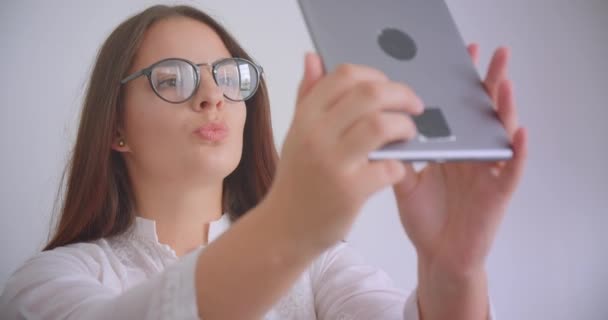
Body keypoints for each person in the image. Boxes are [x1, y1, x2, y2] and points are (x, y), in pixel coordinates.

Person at [0, 4, 527, 320]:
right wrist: (293, 222)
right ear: (115, 128)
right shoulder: (45, 284)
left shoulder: (320, 266)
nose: (213, 97)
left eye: (229, 76)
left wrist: (454, 269)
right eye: (172, 78)